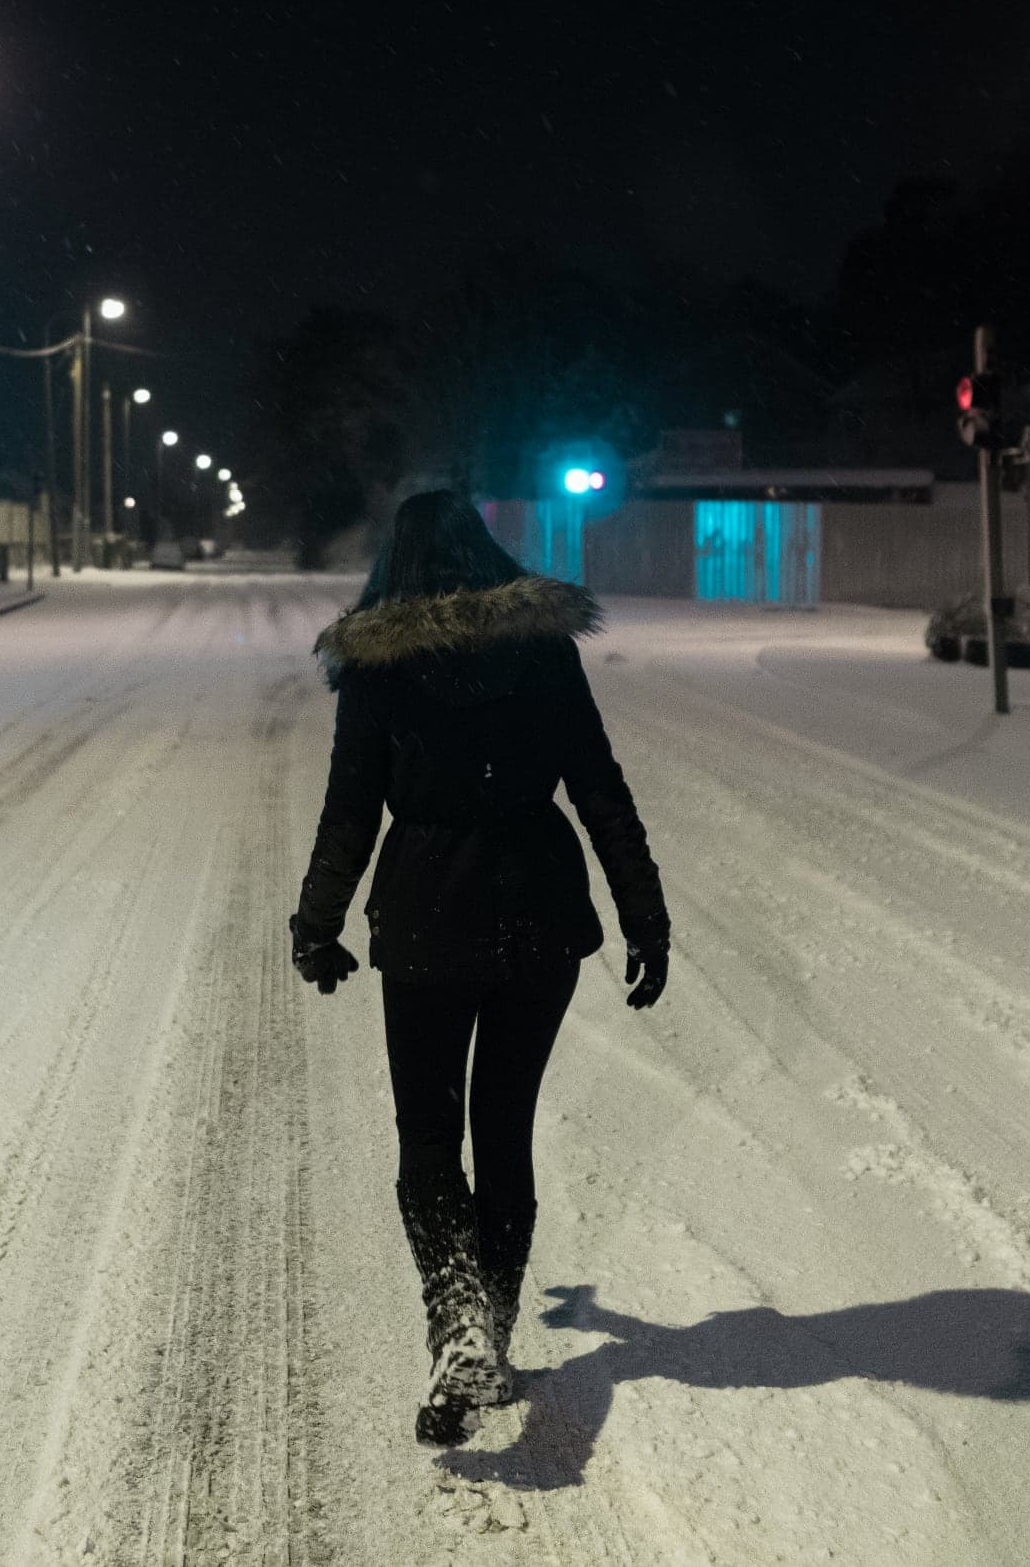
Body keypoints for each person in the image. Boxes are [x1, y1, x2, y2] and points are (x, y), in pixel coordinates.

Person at [290, 490, 670, 1447]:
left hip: (425, 913)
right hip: (538, 910)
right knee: (504, 1133)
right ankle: (486, 1330)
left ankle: (457, 1319)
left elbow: (350, 808)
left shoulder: (379, 664)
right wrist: (643, 913)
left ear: (396, 562)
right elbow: (598, 786)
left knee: (428, 1135)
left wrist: (318, 920)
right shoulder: (542, 648)